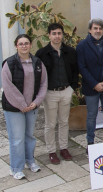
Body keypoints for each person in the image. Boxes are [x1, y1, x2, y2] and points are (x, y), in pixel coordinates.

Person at [1, 34, 48, 180]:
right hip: (14, 108)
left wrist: (36, 102)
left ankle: (30, 161)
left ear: (30, 45)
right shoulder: (9, 63)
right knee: (17, 139)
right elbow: (8, 87)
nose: (23, 46)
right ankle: (16, 168)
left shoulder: (38, 63)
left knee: (29, 136)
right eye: (20, 44)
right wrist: (22, 105)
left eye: (26, 43)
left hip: (32, 107)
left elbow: (43, 84)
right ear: (16, 46)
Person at [36, 23, 79, 164]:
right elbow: (38, 75)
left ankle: (64, 148)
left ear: (62, 35)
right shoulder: (41, 54)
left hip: (66, 91)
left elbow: (74, 71)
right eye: (54, 33)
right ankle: (51, 151)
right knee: (50, 123)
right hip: (50, 93)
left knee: (64, 122)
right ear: (49, 35)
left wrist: (72, 88)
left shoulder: (70, 52)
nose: (57, 36)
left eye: (59, 33)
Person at [77, 18, 103, 151]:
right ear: (90, 30)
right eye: (95, 28)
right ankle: (90, 142)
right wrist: (95, 84)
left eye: (100, 28)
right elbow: (82, 67)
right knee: (91, 115)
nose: (98, 31)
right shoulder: (82, 46)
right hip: (91, 87)